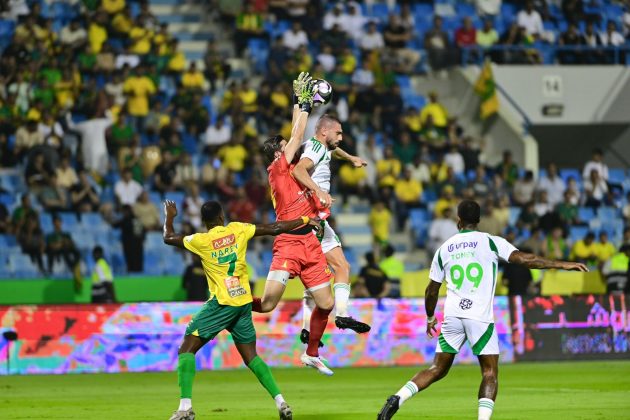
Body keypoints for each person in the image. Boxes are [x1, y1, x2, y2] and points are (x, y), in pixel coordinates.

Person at [377, 199, 587, 420]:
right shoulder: (491, 242)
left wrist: (430, 317)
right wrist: (562, 264)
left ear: (458, 221)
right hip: (479, 317)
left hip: (453, 316)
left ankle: (397, 399)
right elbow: (526, 259)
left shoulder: (444, 249)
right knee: (489, 372)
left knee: (437, 368)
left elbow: (431, 290)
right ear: (478, 220)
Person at [163, 200, 319, 420]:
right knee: (252, 357)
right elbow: (274, 228)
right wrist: (305, 220)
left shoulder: (201, 240)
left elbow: (168, 238)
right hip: (243, 303)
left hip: (222, 304)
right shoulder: (238, 229)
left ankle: (185, 409)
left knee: (186, 350)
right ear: (221, 217)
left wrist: (170, 216)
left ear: (204, 221)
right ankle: (281, 402)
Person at [253, 72, 337, 376]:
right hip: (288, 244)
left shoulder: (290, 167)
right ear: (278, 152)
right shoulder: (277, 168)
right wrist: (303, 104)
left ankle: (311, 353)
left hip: (310, 244)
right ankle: (228, 301)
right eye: (285, 144)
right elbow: (297, 134)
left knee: (326, 304)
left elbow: (295, 134)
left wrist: (299, 105)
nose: (291, 143)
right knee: (266, 305)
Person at [291, 112, 371, 344]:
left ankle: (308, 329)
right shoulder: (315, 149)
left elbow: (333, 150)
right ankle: (342, 315)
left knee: (320, 276)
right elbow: (299, 170)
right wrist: (318, 190)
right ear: (324, 131)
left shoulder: (316, 145)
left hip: (312, 220)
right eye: (339, 132)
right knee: (340, 267)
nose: (342, 137)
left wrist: (351, 158)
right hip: (312, 219)